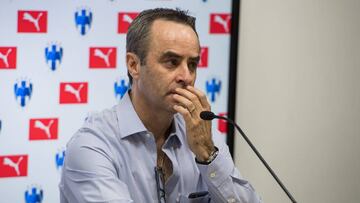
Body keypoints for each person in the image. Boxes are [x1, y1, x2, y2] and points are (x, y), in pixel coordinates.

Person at [59, 8, 261, 203]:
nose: (186, 77)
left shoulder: (201, 136)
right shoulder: (91, 146)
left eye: (192, 64)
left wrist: (208, 156)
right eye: (172, 62)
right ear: (134, 65)